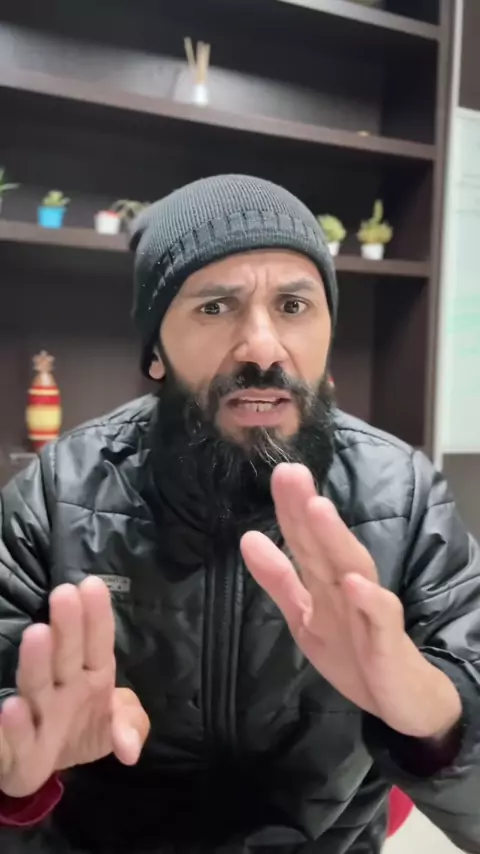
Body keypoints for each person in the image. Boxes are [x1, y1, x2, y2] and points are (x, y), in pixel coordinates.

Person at [0, 174, 479, 854]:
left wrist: (435, 719)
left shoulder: (405, 496)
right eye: (215, 307)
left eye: (293, 305)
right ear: (156, 352)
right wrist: (15, 779)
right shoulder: (57, 491)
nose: (262, 347)